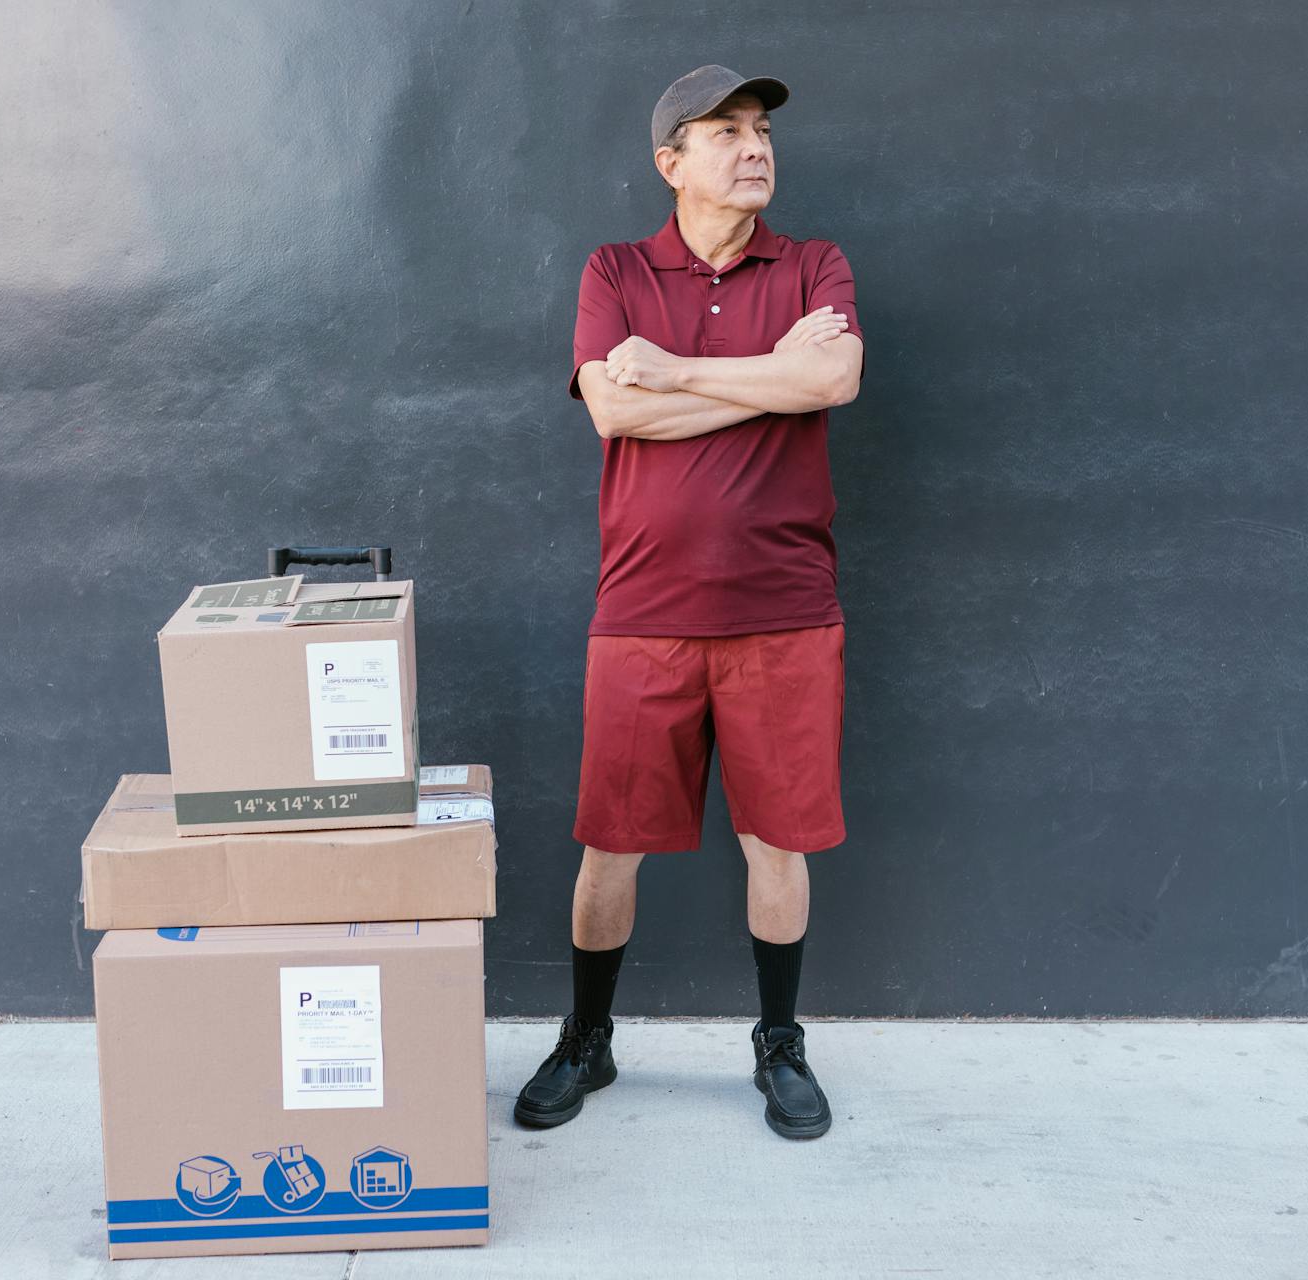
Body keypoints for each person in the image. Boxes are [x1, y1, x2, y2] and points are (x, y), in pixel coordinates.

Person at [514, 64, 864, 1140]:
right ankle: (588, 1037)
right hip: (644, 612)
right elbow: (615, 414)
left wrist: (676, 367)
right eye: (726, 131)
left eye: (761, 130)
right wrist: (754, 376)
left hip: (785, 610)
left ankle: (778, 1040)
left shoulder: (814, 263)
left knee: (778, 842)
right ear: (672, 162)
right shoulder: (613, 270)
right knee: (607, 845)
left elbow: (832, 382)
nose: (755, 146)